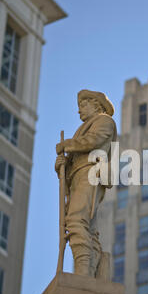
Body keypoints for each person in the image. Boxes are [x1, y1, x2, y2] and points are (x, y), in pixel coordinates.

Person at [55, 89, 117, 276]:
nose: (79, 110)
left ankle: (83, 270)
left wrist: (68, 144)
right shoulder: (84, 128)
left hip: (90, 172)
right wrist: (61, 166)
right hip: (78, 177)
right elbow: (73, 160)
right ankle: (90, 272)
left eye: (83, 105)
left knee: (76, 220)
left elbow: (94, 140)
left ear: (96, 105)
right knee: (88, 228)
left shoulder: (104, 121)